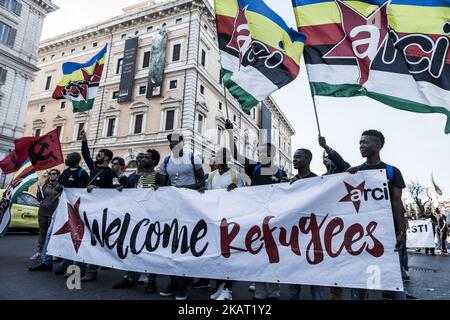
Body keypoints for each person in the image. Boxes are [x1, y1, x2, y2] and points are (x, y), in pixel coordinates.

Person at [225, 119, 286, 300]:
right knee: (259, 253)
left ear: (272, 154)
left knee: (273, 254)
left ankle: (274, 292)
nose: (261, 154)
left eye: (265, 152)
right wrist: (230, 132)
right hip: (256, 215)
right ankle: (260, 292)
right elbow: (236, 154)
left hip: (274, 218)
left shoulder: (279, 171)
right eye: (259, 152)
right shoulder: (254, 166)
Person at [347, 130, 407, 300]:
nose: (361, 146)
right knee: (358, 279)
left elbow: (397, 203)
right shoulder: (355, 172)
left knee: (393, 279)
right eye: (360, 143)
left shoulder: (392, 171)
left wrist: (401, 232)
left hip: (388, 234)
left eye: (365, 142)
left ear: (378, 145)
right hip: (359, 235)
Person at [159, 133, 206, 300]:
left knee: (186, 244)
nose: (174, 145)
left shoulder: (193, 159)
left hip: (190, 207)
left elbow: (203, 182)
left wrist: (186, 189)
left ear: (182, 143)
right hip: (173, 209)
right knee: (172, 244)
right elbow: (164, 184)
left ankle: (185, 284)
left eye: (177, 142)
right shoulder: (165, 162)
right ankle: (173, 282)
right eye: (171, 143)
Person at [112, 150, 163, 293]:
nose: (141, 160)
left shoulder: (158, 177)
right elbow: (129, 193)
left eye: (146, 158)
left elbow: (167, 197)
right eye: (141, 158)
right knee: (131, 247)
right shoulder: (134, 177)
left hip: (152, 219)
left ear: (154, 161)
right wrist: (122, 189)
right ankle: (129, 276)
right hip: (135, 218)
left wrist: (160, 192)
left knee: (150, 248)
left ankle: (151, 280)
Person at [207, 148, 245, 301]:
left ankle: (228, 290)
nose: (219, 158)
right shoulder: (211, 175)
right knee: (217, 254)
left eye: (223, 156)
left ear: (228, 158)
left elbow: (245, 195)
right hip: (216, 220)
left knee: (228, 255)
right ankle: (220, 286)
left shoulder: (236, 175)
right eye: (217, 155)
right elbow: (209, 196)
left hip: (231, 220)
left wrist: (236, 190)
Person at [80, 130, 117, 281]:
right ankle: (80, 268)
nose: (97, 156)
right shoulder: (94, 169)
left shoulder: (111, 173)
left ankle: (92, 271)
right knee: (83, 238)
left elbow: (116, 191)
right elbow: (86, 156)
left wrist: (100, 190)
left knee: (95, 240)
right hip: (86, 208)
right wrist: (84, 141)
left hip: (101, 212)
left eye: (100, 154)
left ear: (106, 158)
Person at [288, 149, 326, 300]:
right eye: (294, 157)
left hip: (314, 238)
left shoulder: (318, 181)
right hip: (294, 238)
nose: (294, 159)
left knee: (317, 285)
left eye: (298, 157)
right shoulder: (290, 182)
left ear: (308, 160)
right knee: (293, 286)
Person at [318, 136, 350, 300]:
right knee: (333, 259)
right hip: (329, 225)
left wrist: (326, 147)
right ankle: (335, 292)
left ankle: (361, 291)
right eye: (324, 158)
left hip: (348, 223)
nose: (326, 160)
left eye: (328, 157)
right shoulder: (322, 177)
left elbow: (340, 162)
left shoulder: (345, 170)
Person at [53, 152, 89, 275]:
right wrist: (58, 187)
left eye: (69, 157)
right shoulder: (66, 171)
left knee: (76, 236)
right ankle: (63, 261)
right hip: (62, 208)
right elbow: (59, 186)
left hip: (75, 211)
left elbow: (82, 191)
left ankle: (78, 266)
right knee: (63, 235)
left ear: (76, 160)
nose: (66, 159)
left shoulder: (82, 173)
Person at [29, 169, 63, 271]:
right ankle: (39, 252)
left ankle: (53, 253)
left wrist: (59, 190)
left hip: (53, 213)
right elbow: (39, 198)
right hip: (42, 211)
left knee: (51, 234)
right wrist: (39, 189)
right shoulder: (45, 185)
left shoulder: (60, 187)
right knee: (42, 232)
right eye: (50, 174)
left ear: (57, 176)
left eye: (53, 174)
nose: (51, 176)